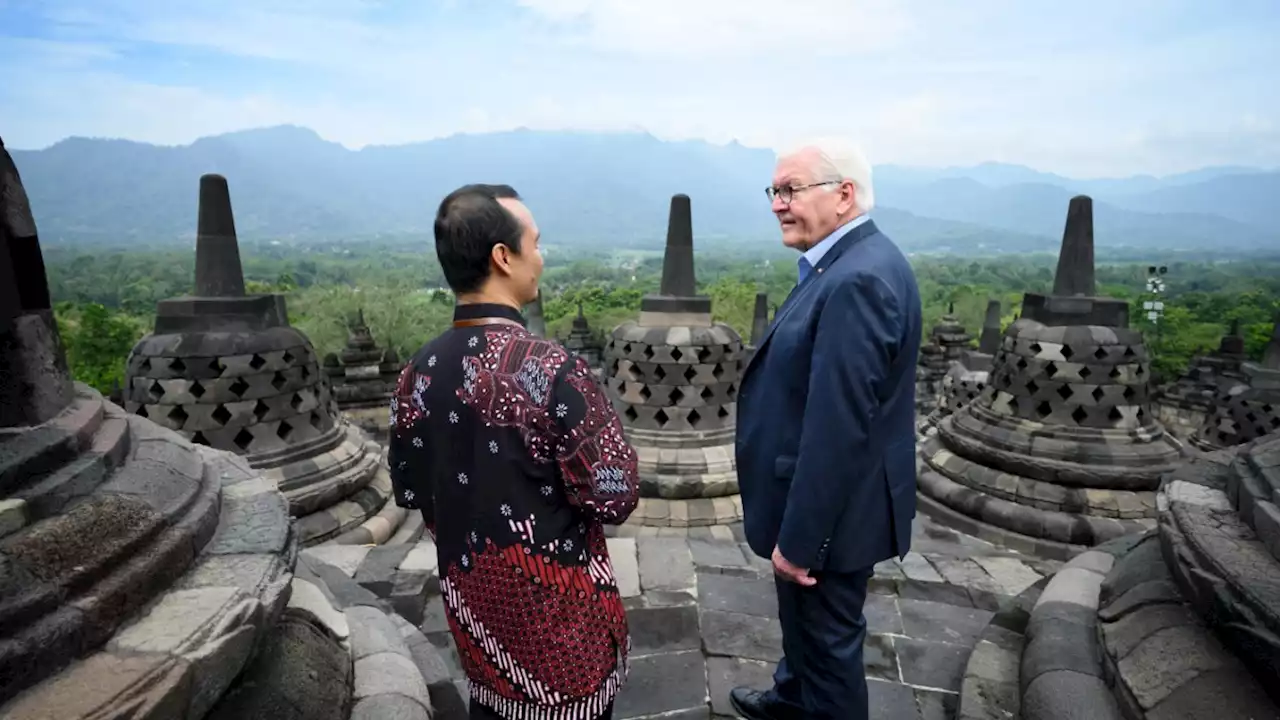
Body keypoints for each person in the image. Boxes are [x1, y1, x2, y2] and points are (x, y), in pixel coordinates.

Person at [388, 184, 640, 720]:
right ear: (503, 257)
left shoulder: (417, 372)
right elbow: (614, 493)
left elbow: (409, 485)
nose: (540, 259)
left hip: (479, 630)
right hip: (563, 634)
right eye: (536, 243)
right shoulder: (552, 370)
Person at [731, 139, 922, 719]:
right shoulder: (844, 263)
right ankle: (791, 698)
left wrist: (800, 541)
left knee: (830, 653)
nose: (777, 204)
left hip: (830, 520)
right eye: (775, 191)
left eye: (791, 190)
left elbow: (837, 427)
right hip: (832, 510)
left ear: (844, 195)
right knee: (808, 636)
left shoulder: (856, 282)